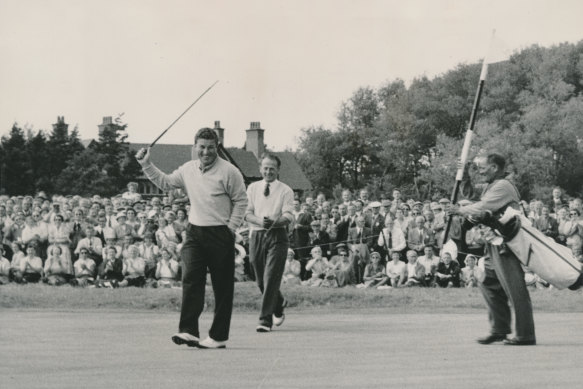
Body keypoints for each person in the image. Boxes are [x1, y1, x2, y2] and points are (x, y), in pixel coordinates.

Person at [136, 127, 247, 349]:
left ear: (217, 148)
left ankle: (218, 336)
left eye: (211, 148)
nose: (206, 152)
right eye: (202, 147)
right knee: (191, 279)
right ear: (195, 147)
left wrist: (230, 228)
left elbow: (241, 201)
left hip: (220, 232)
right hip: (195, 231)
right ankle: (188, 330)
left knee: (222, 287)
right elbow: (166, 182)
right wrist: (146, 165)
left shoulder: (229, 171)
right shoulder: (188, 169)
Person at [451, 153, 536, 346]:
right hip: (493, 240)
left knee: (514, 288)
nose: (479, 171)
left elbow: (482, 206)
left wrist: (460, 210)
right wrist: (463, 174)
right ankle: (499, 329)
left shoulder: (503, 186)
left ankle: (525, 334)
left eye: (482, 167)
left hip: (507, 241)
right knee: (488, 282)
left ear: (495, 167)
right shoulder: (491, 186)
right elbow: (471, 195)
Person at [245, 154, 294, 332]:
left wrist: (276, 220)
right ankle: (279, 302)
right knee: (260, 281)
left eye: (272, 168)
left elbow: (289, 215)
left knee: (271, 277)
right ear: (260, 169)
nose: (268, 171)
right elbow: (247, 213)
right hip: (257, 234)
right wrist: (259, 221)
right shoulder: (252, 188)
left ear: (278, 170)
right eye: (265, 168)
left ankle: (265, 320)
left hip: (277, 236)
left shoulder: (286, 190)